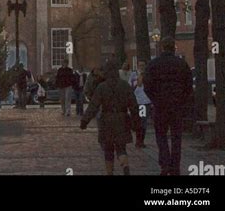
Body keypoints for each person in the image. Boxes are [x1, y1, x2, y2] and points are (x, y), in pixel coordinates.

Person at [80, 60, 141, 176]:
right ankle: (125, 165)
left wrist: (85, 121)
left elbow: (93, 105)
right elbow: (134, 106)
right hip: (122, 119)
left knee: (108, 150)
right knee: (121, 148)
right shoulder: (125, 85)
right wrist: (136, 122)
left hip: (106, 120)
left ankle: (110, 173)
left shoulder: (102, 87)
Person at [143, 36, 193, 176]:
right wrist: (182, 100)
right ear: (174, 47)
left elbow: (147, 85)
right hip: (176, 106)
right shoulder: (182, 64)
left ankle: (165, 164)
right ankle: (175, 167)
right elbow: (188, 86)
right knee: (177, 137)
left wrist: (155, 99)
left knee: (161, 135)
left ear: (162, 47)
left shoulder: (154, 64)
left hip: (160, 106)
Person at [134, 69, 151, 148]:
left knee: (142, 122)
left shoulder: (144, 85)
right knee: (141, 122)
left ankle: (140, 140)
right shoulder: (137, 85)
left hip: (144, 103)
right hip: (141, 104)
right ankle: (139, 140)